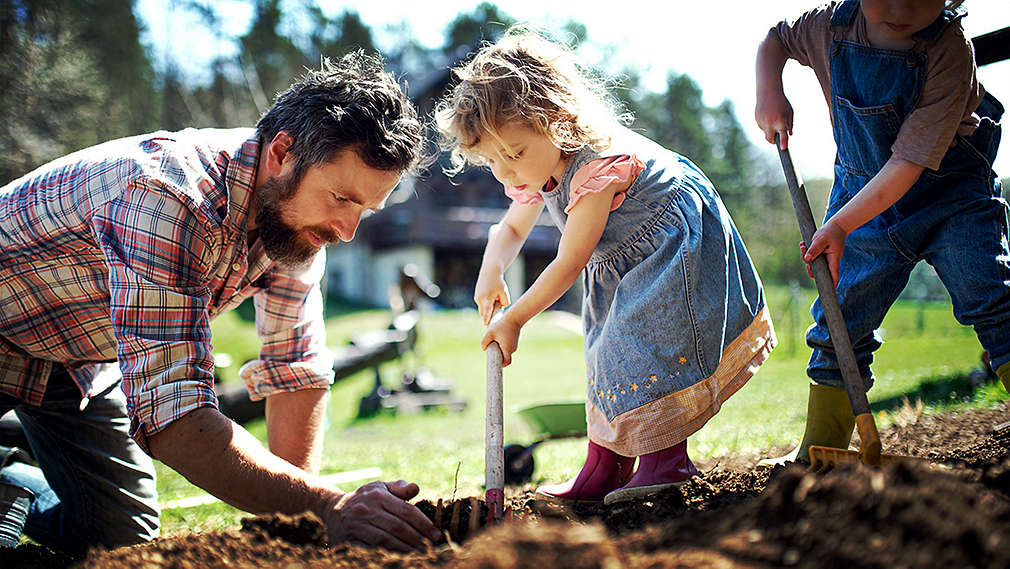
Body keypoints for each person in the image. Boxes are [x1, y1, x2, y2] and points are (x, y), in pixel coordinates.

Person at [0, 51, 441, 554]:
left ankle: (8, 475)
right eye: (342, 198)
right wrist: (327, 506)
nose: (346, 230)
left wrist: (300, 527)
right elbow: (177, 418)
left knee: (121, 538)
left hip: (73, 359)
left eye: (366, 209)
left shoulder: (294, 225)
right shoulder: (166, 194)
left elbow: (295, 369)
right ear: (281, 154)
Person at [435, 28, 776, 505]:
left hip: (668, 245)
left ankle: (666, 461)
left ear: (555, 121)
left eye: (514, 154)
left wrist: (515, 318)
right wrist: (491, 271)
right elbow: (509, 230)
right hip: (621, 259)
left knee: (646, 345)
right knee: (607, 355)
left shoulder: (597, 167)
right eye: (494, 161)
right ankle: (605, 466)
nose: (508, 172)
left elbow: (570, 261)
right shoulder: (536, 164)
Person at [755, 0, 1008, 463]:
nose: (899, 7)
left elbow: (908, 163)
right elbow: (776, 39)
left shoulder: (950, 50)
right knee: (839, 318)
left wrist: (840, 224)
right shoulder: (829, 27)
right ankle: (820, 445)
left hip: (950, 198)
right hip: (862, 200)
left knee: (989, 294)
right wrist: (770, 90)